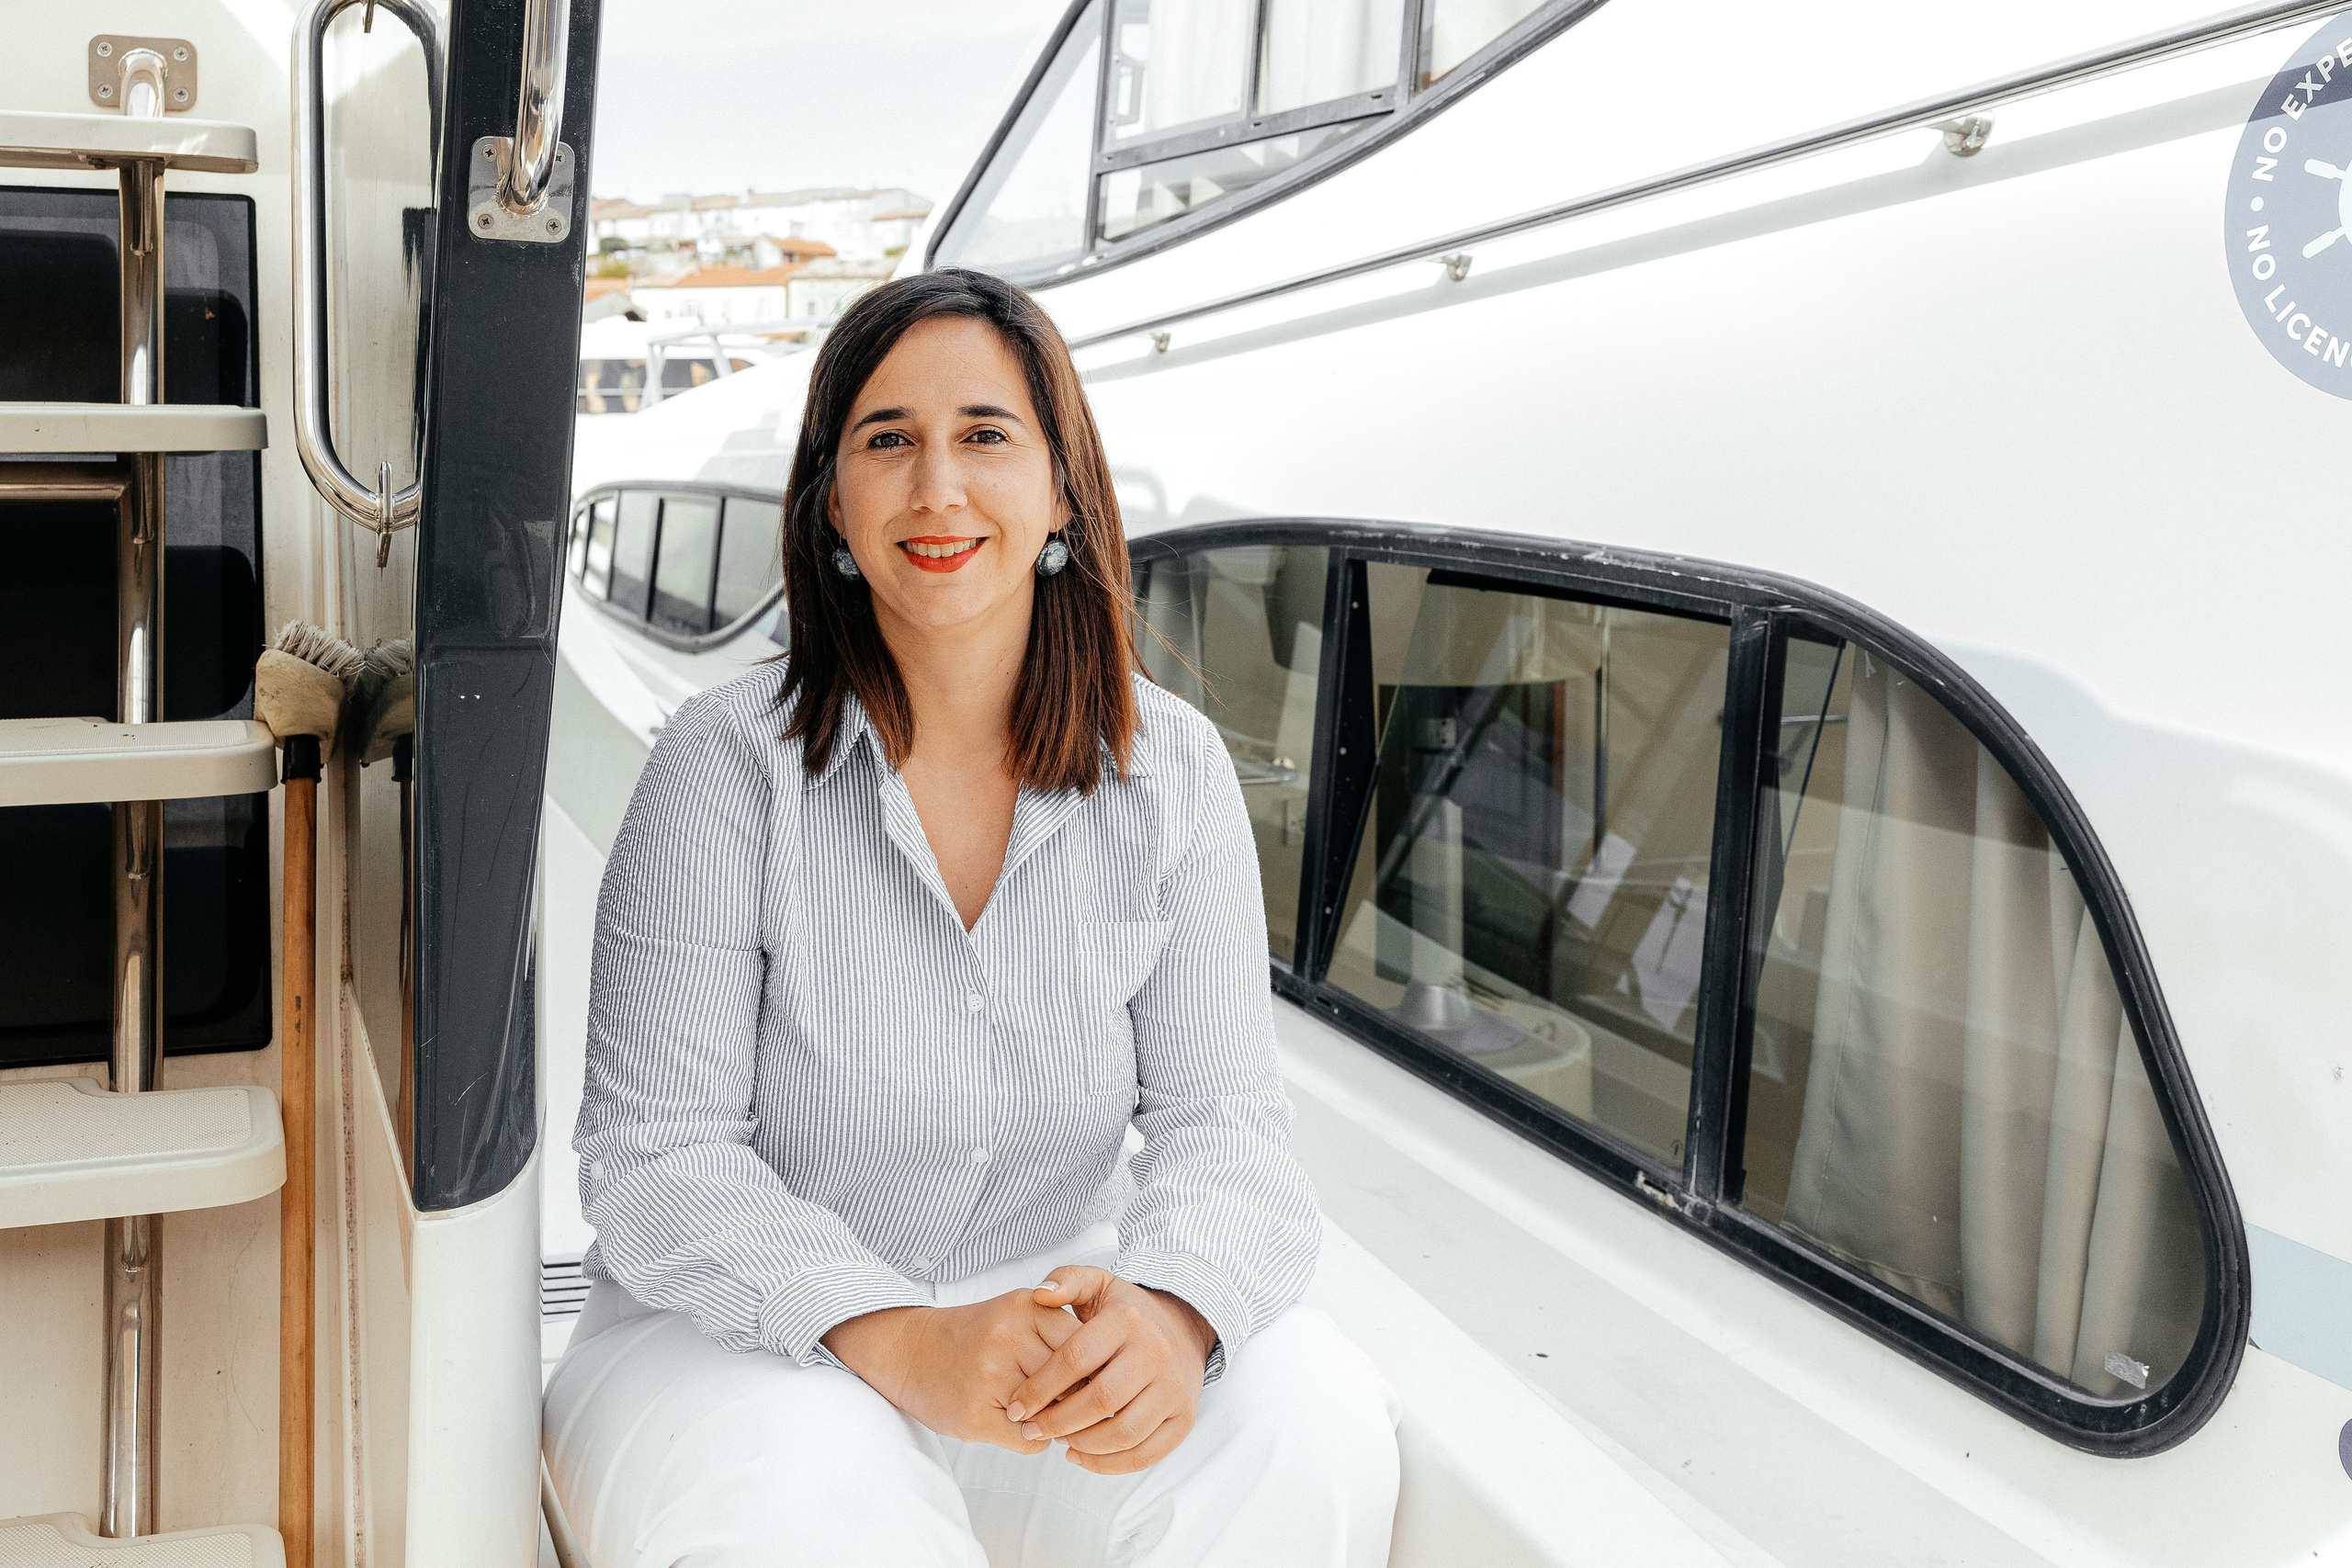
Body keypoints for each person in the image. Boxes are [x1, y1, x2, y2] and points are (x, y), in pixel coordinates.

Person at [542, 268, 1400, 1568]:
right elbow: (656, 1156)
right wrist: (905, 1336)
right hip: (743, 1352)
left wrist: (1171, 1312)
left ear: (1064, 490)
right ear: (835, 501)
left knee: (1309, 1421)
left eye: (986, 437)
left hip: (1040, 1321)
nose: (938, 488)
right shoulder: (722, 771)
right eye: (889, 442)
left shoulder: (1170, 772)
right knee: (813, 1489)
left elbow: (1226, 1125)